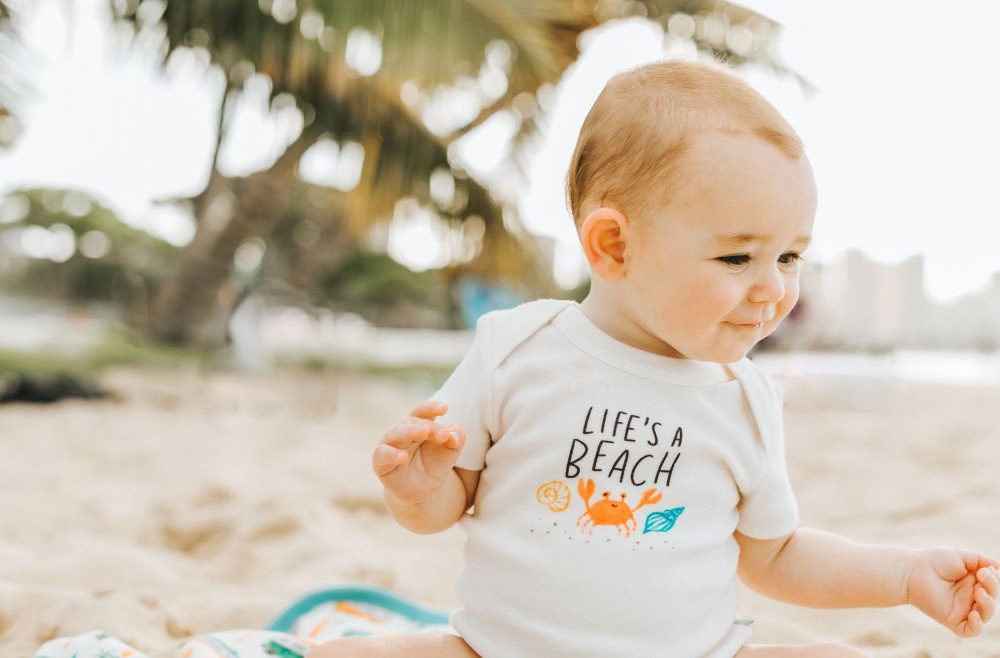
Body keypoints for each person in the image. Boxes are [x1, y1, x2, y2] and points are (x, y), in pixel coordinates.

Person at [308, 60, 999, 657]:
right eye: (738, 256)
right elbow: (443, 508)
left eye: (790, 256)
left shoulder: (745, 399)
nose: (774, 289)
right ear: (612, 245)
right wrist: (418, 488)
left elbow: (777, 554)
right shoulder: (516, 348)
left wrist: (905, 575)